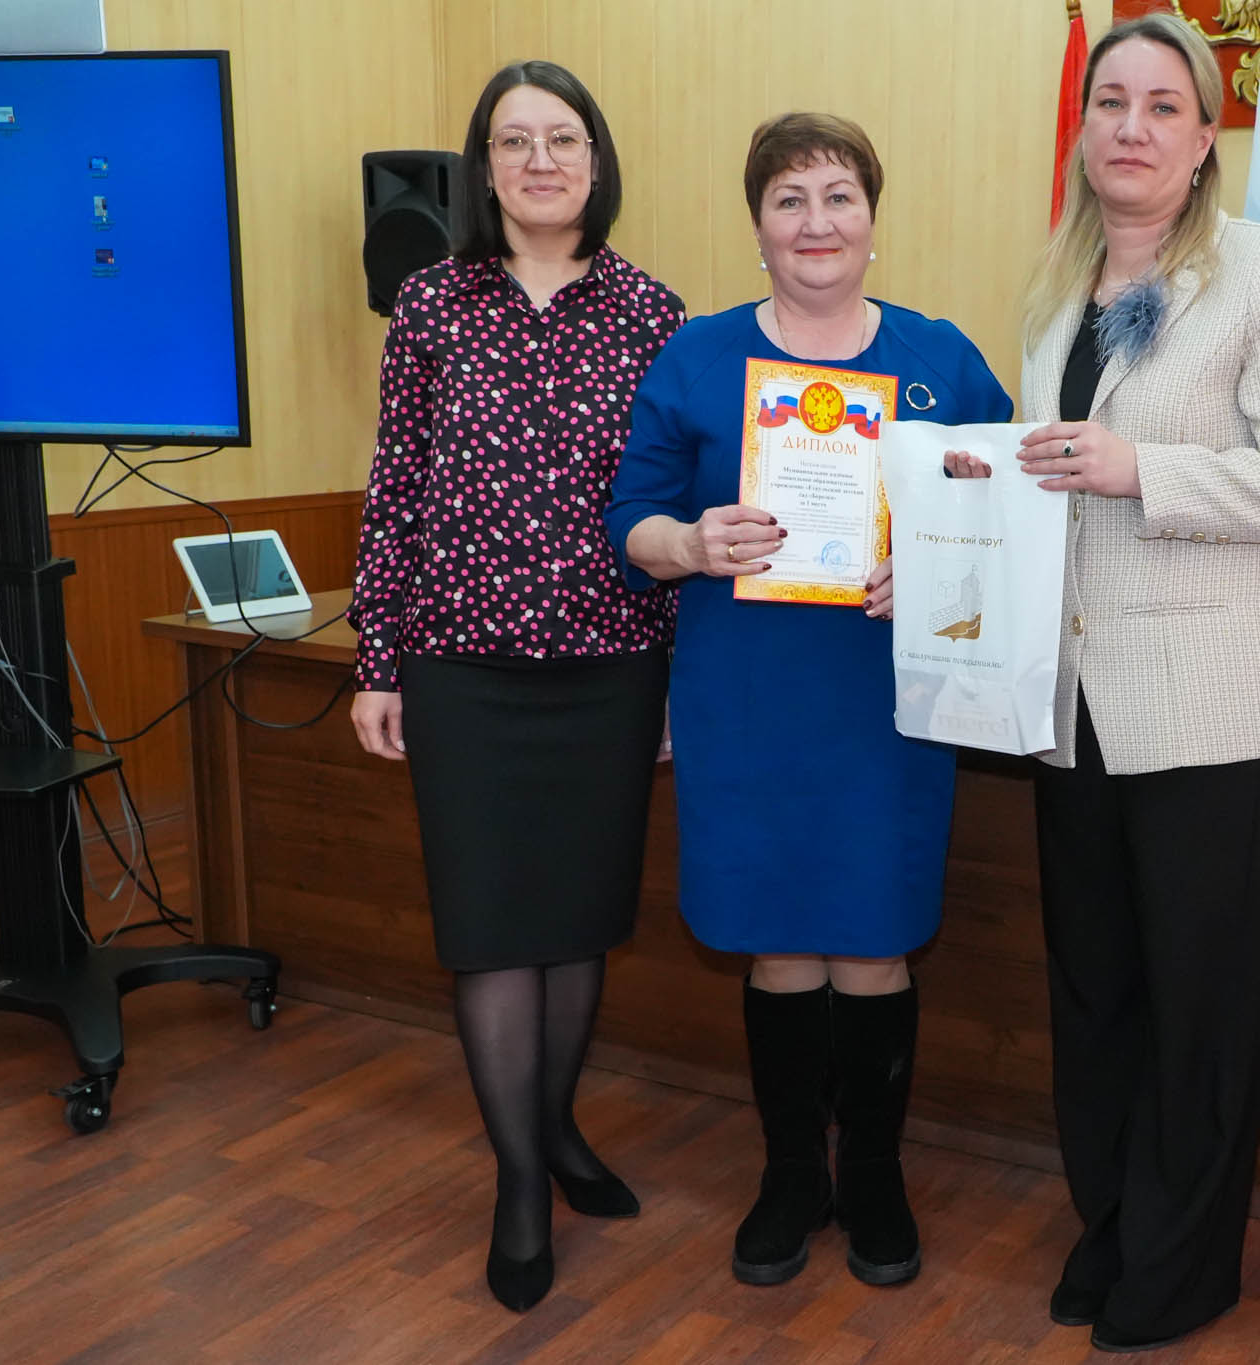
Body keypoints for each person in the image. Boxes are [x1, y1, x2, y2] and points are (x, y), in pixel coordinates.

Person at [950, 12, 1260, 1353]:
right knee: (1097, 1000)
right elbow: (1041, 489)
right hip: (1072, 712)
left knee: (1201, 1011)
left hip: (1215, 715)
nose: (1130, 126)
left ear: (1200, 141)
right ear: (1083, 131)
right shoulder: (1055, 290)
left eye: (1161, 105)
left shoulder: (1259, 270)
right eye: (1109, 101)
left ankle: (1179, 1271)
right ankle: (1115, 1227)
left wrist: (1147, 472)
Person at [604, 112, 1011, 1290]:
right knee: (777, 946)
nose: (815, 221)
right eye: (789, 199)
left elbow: (1005, 516)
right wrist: (690, 540)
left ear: (872, 221)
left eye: (838, 196)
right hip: (745, 699)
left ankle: (871, 1175)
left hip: (886, 707)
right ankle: (791, 1174)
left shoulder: (941, 359)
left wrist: (939, 568)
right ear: (758, 225)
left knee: (873, 944)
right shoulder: (696, 358)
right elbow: (629, 522)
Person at [346, 60, 684, 1314]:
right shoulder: (431, 303)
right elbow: (395, 487)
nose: (540, 161)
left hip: (611, 665)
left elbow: (672, 500)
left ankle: (555, 1128)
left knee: (579, 921)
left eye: (562, 139)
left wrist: (678, 683)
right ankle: (522, 1185)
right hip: (460, 670)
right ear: (483, 168)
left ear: (596, 159)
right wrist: (377, 660)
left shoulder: (655, 313)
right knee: (491, 929)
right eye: (513, 141)